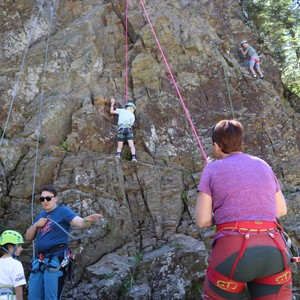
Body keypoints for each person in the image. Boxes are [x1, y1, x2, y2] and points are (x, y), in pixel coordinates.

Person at [195, 120, 292, 300]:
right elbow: (281, 210)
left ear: (216, 146)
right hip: (274, 249)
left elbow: (202, 220)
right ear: (241, 142)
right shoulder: (262, 164)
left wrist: (227, 215)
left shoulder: (212, 168)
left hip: (232, 251)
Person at [25, 184, 103, 300]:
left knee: (52, 297)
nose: (45, 201)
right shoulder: (41, 215)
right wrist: (36, 225)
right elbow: (28, 237)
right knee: (33, 297)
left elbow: (80, 223)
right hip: (39, 260)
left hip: (55, 259)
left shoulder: (63, 211)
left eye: (48, 198)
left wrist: (87, 220)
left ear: (55, 198)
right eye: (42, 199)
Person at [0, 230, 26, 300]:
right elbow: (18, 287)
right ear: (10, 247)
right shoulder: (16, 264)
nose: (21, 248)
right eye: (19, 245)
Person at [110, 98, 137, 162]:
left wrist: (112, 104)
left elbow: (111, 111)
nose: (133, 110)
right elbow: (131, 124)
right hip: (128, 129)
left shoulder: (121, 110)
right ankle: (133, 157)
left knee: (120, 145)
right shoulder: (132, 115)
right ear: (131, 108)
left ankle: (118, 155)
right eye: (133, 109)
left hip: (121, 129)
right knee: (131, 144)